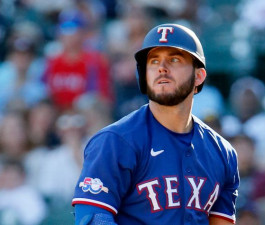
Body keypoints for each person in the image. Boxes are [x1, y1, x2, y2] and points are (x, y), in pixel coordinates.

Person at [72, 23, 240, 225]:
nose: (162, 67)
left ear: (199, 76)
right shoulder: (115, 142)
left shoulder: (223, 153)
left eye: (174, 59)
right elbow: (92, 218)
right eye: (153, 61)